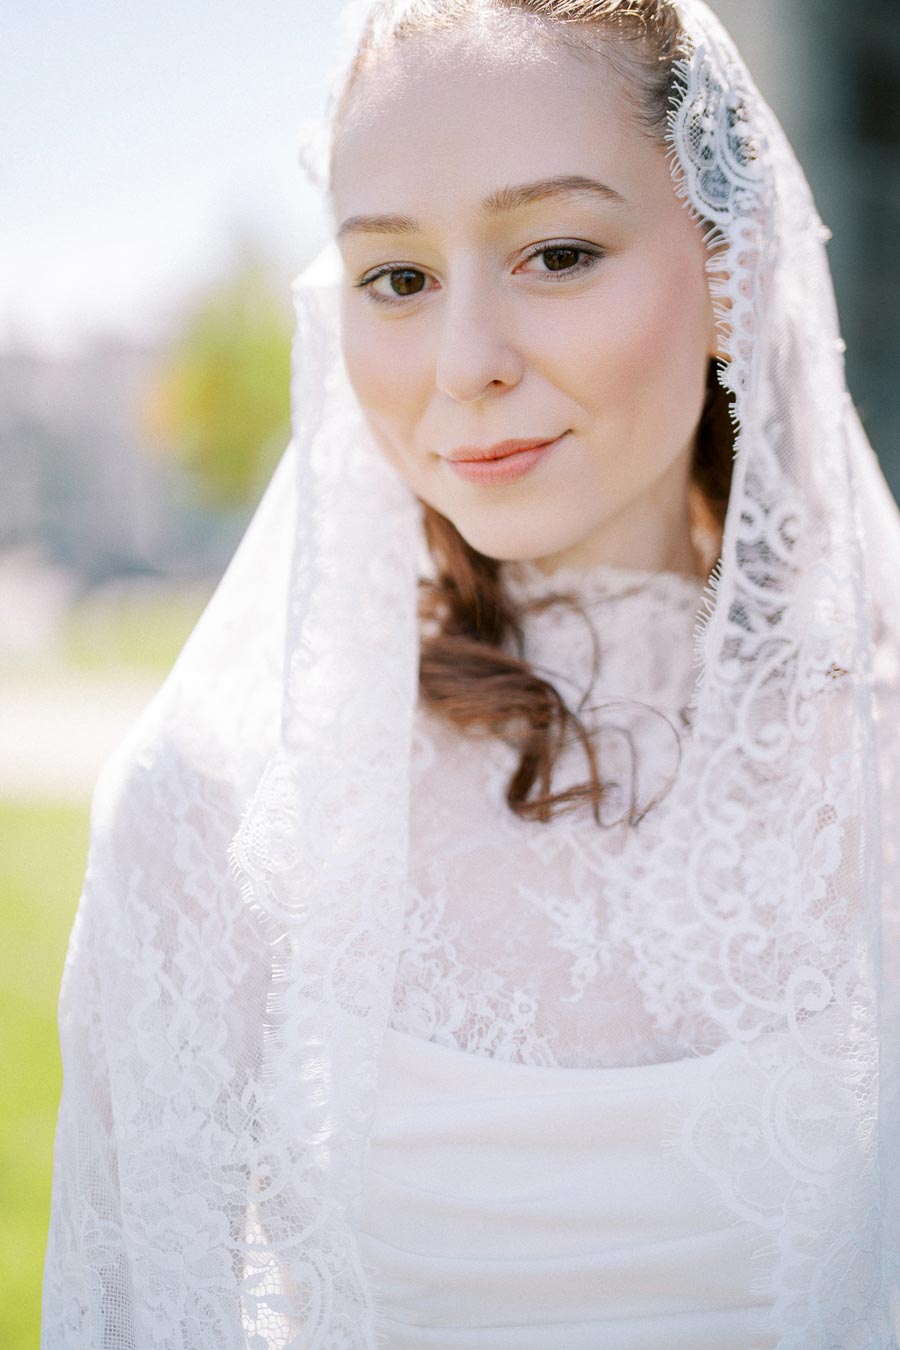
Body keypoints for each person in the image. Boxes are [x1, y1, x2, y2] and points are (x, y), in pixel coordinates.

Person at [41, 1, 900, 1347]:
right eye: (397, 278)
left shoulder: (884, 749)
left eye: (558, 253)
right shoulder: (220, 799)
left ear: (735, 269)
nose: (463, 365)